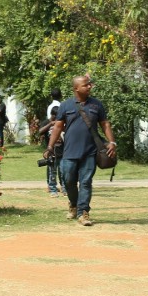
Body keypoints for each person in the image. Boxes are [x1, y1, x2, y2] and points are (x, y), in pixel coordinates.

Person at [43, 75, 116, 227]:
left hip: (90, 152)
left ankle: (83, 212)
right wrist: (50, 147)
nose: (89, 86)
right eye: (85, 85)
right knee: (68, 181)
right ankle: (73, 204)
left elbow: (105, 124)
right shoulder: (66, 105)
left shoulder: (96, 105)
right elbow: (57, 126)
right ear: (76, 88)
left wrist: (112, 142)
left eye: (90, 84)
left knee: (85, 182)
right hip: (69, 152)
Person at [41, 89, 64, 196]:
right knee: (52, 171)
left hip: (61, 149)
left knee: (63, 170)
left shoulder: (57, 109)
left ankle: (64, 188)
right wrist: (51, 124)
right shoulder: (49, 121)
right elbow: (40, 131)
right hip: (52, 150)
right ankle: (52, 188)